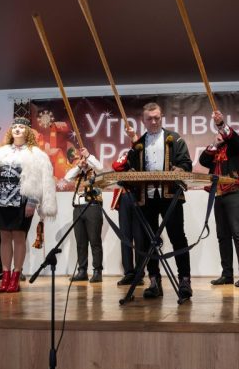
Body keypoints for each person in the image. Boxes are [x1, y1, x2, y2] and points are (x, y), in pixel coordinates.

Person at [0, 117, 57, 293]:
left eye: (21, 127)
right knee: (4, 237)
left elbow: (37, 180)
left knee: (19, 237)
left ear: (28, 131)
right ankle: (5, 276)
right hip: (2, 198)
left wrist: (32, 201)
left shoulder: (35, 153)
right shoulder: (1, 152)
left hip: (22, 199)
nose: (17, 129)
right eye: (15, 127)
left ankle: (16, 276)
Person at [120, 102, 193, 299]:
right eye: (149, 119)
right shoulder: (139, 144)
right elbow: (130, 166)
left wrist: (180, 169)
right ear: (143, 121)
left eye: (157, 118)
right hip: (147, 198)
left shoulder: (174, 139)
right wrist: (131, 171)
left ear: (161, 118)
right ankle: (154, 281)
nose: (153, 121)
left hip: (170, 197)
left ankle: (184, 281)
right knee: (148, 241)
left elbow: (186, 163)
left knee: (178, 237)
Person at [199, 110, 239, 287]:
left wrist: (221, 124)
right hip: (220, 194)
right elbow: (203, 160)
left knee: (238, 232)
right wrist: (214, 143)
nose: (221, 135)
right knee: (222, 235)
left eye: (223, 133)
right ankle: (227, 274)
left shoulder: (238, 145)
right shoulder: (217, 152)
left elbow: (232, 137)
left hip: (238, 192)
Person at [62, 147, 104, 283]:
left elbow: (100, 167)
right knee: (80, 242)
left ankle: (97, 271)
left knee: (95, 241)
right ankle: (82, 271)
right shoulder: (78, 173)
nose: (84, 161)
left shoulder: (95, 171)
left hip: (93, 207)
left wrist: (88, 155)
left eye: (85, 159)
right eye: (82, 159)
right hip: (78, 208)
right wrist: (79, 166)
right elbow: (67, 178)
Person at [112, 153, 145, 286]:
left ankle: (139, 273)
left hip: (140, 197)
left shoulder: (145, 154)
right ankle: (129, 273)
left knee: (140, 238)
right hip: (125, 197)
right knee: (125, 237)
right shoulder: (128, 154)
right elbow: (116, 166)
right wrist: (130, 155)